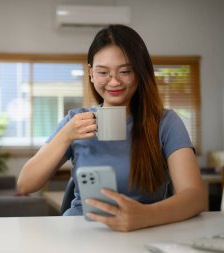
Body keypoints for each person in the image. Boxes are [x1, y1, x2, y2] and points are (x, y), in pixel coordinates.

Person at [17, 24, 207, 232]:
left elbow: (195, 197)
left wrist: (145, 216)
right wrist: (65, 137)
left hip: (144, 231)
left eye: (125, 71)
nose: (114, 81)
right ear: (90, 73)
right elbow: (26, 185)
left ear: (140, 72)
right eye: (103, 72)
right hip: (81, 231)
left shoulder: (165, 122)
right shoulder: (75, 120)